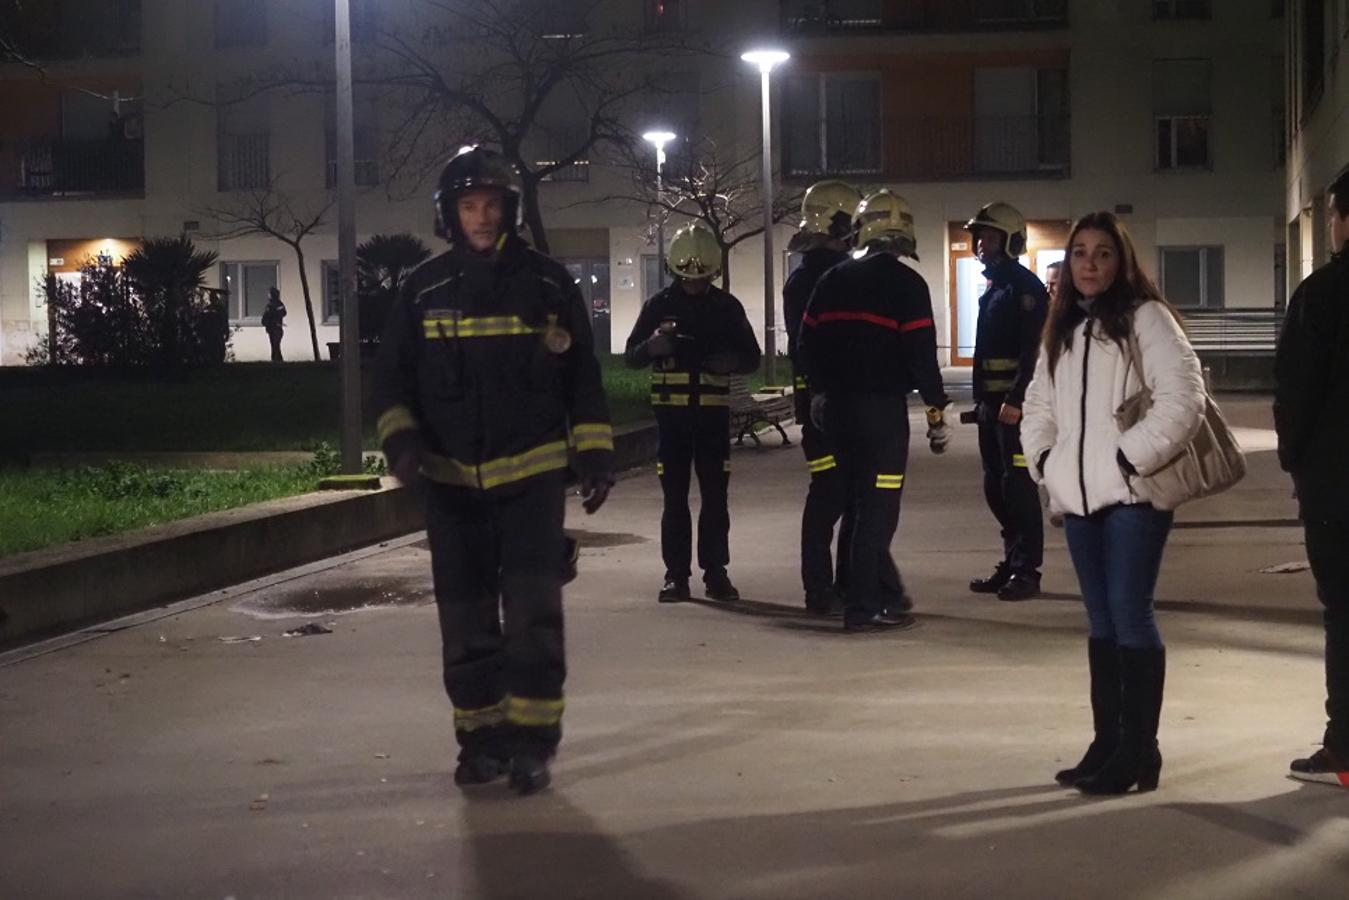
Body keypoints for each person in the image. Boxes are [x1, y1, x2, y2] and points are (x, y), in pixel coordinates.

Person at [372, 146, 615, 795]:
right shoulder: (422, 290)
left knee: (534, 616)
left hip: (531, 481)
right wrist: (402, 446)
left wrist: (594, 453)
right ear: (450, 214)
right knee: (466, 620)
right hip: (450, 487)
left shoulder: (547, 285)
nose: (481, 217)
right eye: (468, 206)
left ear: (507, 210)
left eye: (491, 205)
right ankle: (480, 742)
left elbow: (581, 375)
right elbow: (390, 380)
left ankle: (533, 743)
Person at [1020, 211, 1205, 795]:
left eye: (1103, 253)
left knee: (1130, 614)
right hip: (1078, 500)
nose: (1090, 264)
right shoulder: (1064, 329)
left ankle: (1139, 752)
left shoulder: (1146, 319)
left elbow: (1185, 397)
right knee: (1101, 621)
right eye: (1080, 253)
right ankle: (1108, 743)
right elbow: (1037, 408)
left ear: (1121, 261)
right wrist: (1046, 464)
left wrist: (1128, 460)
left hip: (1132, 497)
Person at [797, 190, 951, 632]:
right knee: (878, 509)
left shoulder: (833, 280)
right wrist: (936, 414)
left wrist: (821, 395)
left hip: (835, 413)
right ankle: (864, 607)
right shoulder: (908, 285)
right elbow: (921, 356)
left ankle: (858, 595)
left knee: (852, 504)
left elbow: (806, 346)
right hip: (882, 414)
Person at [784, 181, 908, 616]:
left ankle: (848, 585)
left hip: (827, 405)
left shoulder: (813, 273)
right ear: (840, 222)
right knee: (833, 494)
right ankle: (830, 588)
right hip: (830, 406)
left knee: (850, 495)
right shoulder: (820, 276)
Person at [624, 222, 762, 604]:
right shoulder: (658, 307)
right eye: (688, 278)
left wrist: (730, 360)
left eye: (701, 279)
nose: (695, 285)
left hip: (713, 421)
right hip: (672, 422)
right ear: (674, 271)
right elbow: (631, 355)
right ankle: (676, 576)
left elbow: (752, 358)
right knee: (675, 499)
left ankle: (716, 573)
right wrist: (652, 346)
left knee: (716, 498)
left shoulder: (726, 308)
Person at [1274, 169, 1349, 788]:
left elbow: (1295, 394)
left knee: (1345, 618)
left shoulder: (1322, 295)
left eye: (1330, 213)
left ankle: (1344, 750)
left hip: (1338, 492)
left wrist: (1295, 460)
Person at [963, 202, 1048, 602]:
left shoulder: (1025, 289)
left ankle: (1027, 570)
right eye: (979, 236)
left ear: (1011, 240)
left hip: (1016, 409)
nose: (982, 244)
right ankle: (1012, 562)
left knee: (1018, 488)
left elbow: (1033, 351)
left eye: (991, 236)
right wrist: (982, 402)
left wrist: (1016, 398)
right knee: (996, 488)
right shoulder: (996, 287)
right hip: (991, 409)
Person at [261, 287, 286, 362]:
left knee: (275, 347)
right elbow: (284, 313)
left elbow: (266, 316)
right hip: (277, 328)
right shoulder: (280, 304)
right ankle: (278, 362)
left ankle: (276, 362)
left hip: (274, 328)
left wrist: (266, 322)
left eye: (269, 293)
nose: (268, 295)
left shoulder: (271, 305)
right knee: (276, 346)